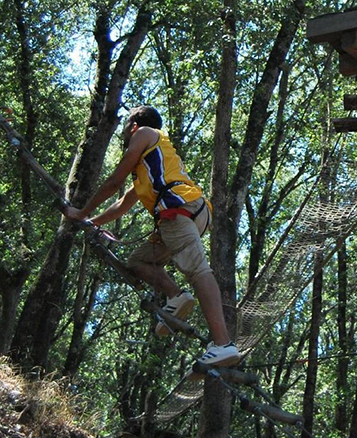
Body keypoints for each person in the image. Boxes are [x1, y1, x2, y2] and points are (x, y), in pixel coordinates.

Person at [64, 105, 240, 369]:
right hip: (190, 212)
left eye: (126, 125)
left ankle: (223, 344)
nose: (125, 131)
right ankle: (176, 297)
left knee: (198, 270)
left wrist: (80, 212)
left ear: (134, 125)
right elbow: (123, 202)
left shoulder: (145, 133)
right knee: (138, 261)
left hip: (177, 210)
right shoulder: (150, 162)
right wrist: (93, 221)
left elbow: (114, 181)